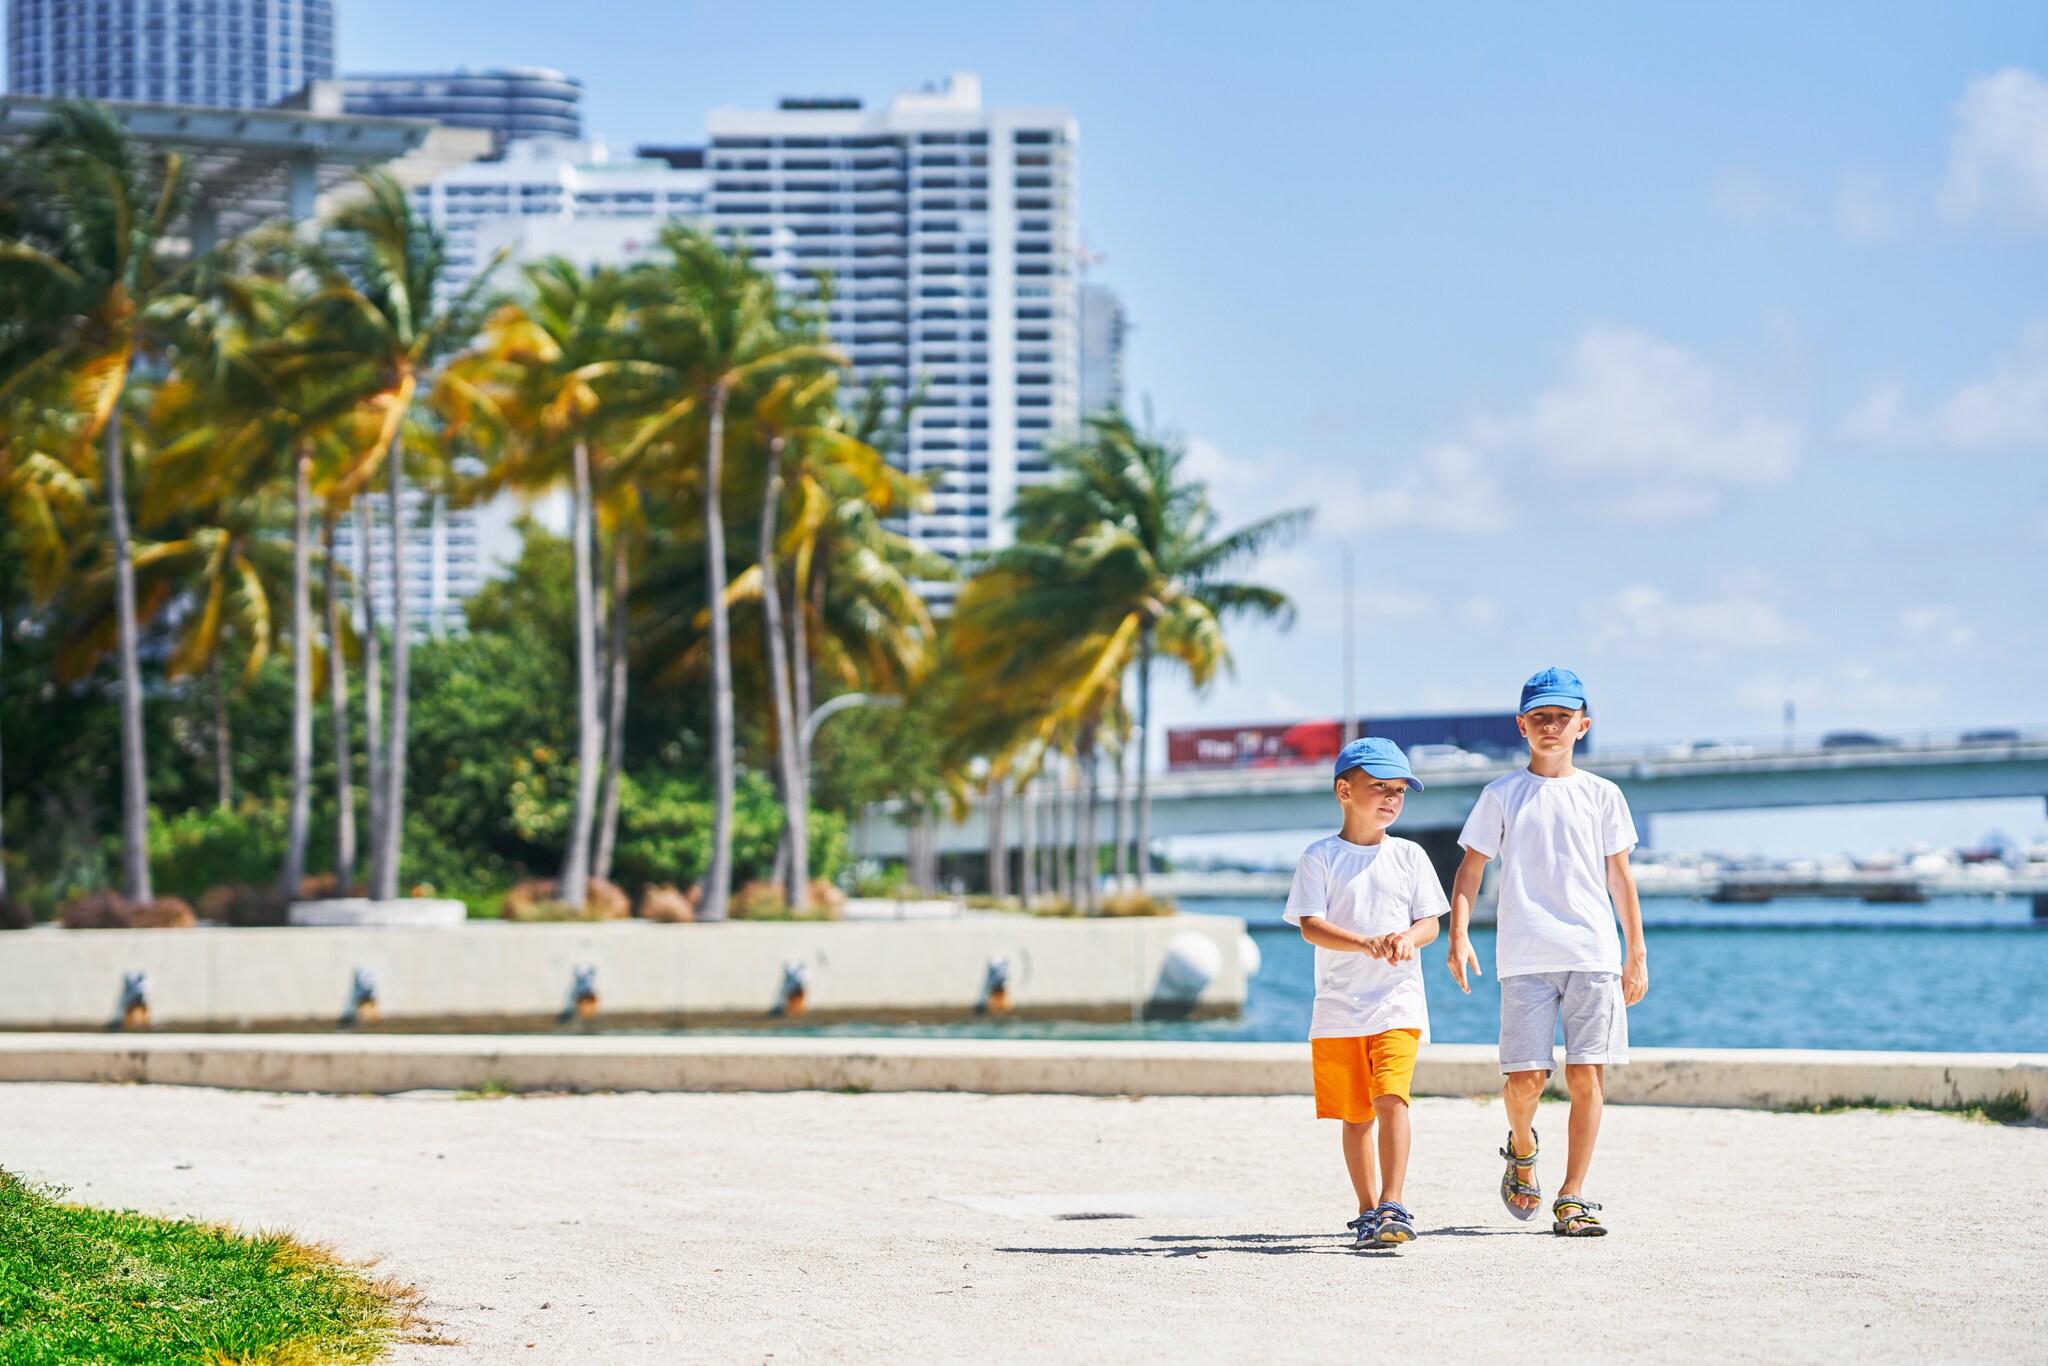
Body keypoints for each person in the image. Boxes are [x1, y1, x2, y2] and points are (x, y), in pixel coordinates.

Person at [1445, 667, 1648, 1237]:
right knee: (1525, 1081)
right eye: (1540, 718)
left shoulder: (1604, 795)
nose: (1551, 726)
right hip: (1524, 956)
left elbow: (1621, 880)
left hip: (1593, 954)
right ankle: (1522, 1146)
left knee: (1588, 1077)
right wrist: (1458, 935)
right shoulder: (1500, 795)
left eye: (1562, 717)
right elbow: (1469, 870)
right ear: (1522, 726)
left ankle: (1572, 1195)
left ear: (1583, 725)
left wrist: (1637, 954)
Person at [1284, 736, 1447, 1249]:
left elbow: (1429, 923)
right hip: (1337, 1008)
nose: (1391, 798)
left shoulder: (1411, 855)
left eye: (1399, 790)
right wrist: (1365, 943)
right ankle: (1367, 1208)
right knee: (1355, 1116)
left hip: (1397, 1000)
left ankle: (1394, 1202)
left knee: (1391, 1097)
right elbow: (1310, 925)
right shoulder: (1320, 856)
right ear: (1343, 790)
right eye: (1379, 787)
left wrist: (1405, 938)